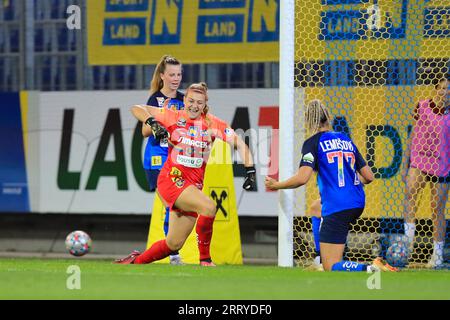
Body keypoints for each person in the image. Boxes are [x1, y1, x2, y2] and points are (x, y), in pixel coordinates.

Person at [116, 82, 256, 266]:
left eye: (199, 102)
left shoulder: (213, 123)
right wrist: (152, 122)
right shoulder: (172, 115)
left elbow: (239, 143)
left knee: (173, 243)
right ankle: (205, 260)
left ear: (205, 104)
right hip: (171, 180)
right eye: (191, 100)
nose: (194, 105)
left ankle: (134, 262)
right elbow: (137, 108)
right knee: (208, 206)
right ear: (184, 100)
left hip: (191, 187)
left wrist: (250, 171)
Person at [265, 99, 397, 272]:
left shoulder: (312, 143)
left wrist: (277, 185)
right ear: (328, 117)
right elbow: (369, 176)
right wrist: (348, 186)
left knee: (331, 266)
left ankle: (372, 267)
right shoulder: (345, 140)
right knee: (315, 207)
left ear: (309, 120)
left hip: (338, 206)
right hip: (357, 202)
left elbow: (302, 178)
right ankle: (320, 258)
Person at [402, 77, 449, 268]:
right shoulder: (422, 106)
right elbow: (413, 135)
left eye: (449, 89)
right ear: (436, 89)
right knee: (410, 196)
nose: (445, 92)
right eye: (442, 88)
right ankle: (407, 247)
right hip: (420, 159)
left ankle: (436, 256)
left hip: (443, 164)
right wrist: (405, 162)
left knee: (437, 209)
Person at [143, 55, 185, 265]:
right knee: (172, 204)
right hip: (157, 158)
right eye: (172, 74)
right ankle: (174, 256)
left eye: (179, 74)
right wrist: (159, 123)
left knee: (176, 205)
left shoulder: (185, 100)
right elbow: (144, 130)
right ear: (162, 76)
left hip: (176, 159)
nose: (176, 78)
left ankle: (173, 253)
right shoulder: (155, 100)